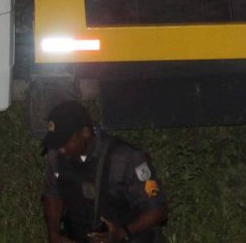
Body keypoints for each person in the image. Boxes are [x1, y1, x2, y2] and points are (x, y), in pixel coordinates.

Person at [40, 100, 170, 243]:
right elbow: (52, 194)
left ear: (85, 132)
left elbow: (158, 210)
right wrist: (54, 234)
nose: (61, 149)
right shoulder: (57, 155)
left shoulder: (126, 159)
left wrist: (122, 233)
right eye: (57, 143)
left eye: (65, 142)